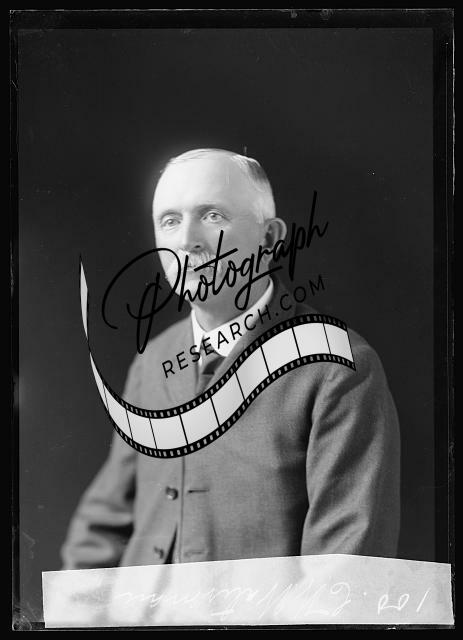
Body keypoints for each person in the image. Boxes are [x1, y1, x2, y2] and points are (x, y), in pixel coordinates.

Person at [61, 148, 400, 569]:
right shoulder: (154, 359)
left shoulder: (336, 368)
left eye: (212, 216)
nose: (186, 241)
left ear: (270, 239)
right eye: (170, 221)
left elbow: (343, 571)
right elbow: (103, 525)